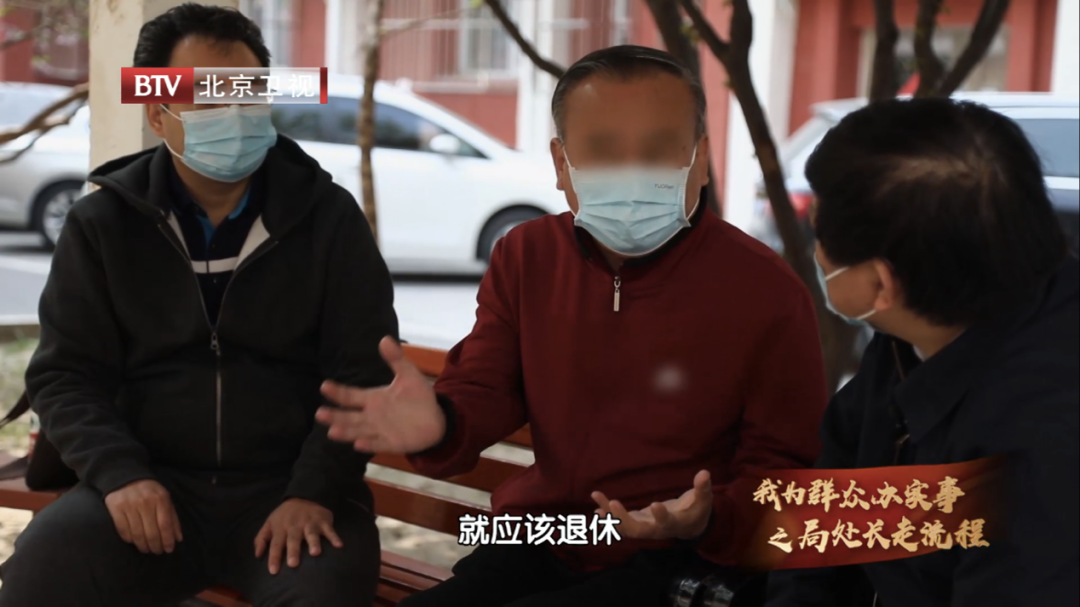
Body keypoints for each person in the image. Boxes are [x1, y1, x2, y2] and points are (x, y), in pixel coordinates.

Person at [317, 45, 829, 607]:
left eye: (660, 149)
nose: (632, 171)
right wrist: (441, 423)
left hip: (678, 558)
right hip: (544, 537)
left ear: (701, 159)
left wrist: (709, 518)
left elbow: (785, 471)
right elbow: (487, 386)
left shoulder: (764, 289)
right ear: (562, 164)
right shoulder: (527, 255)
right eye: (603, 149)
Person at [0, 4, 394, 606]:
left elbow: (363, 370)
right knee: (38, 576)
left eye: (248, 95)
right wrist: (121, 476)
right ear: (158, 114)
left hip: (290, 495)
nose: (234, 115)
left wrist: (314, 490)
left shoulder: (328, 218)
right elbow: (65, 374)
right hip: (149, 486)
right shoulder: (103, 224)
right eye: (209, 98)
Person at [764, 98, 1078, 607]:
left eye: (819, 234)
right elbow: (826, 514)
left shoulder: (1039, 448)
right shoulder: (925, 322)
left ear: (880, 284)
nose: (815, 252)